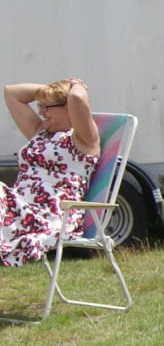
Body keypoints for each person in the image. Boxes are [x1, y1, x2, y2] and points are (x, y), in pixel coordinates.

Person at [3, 78, 100, 268]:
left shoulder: (84, 139)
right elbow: (11, 92)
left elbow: (78, 99)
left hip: (50, 214)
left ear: (68, 108)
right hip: (18, 206)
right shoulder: (40, 131)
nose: (41, 112)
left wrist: (76, 85)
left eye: (46, 107)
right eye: (40, 106)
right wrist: (48, 92)